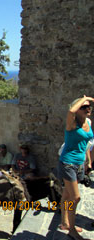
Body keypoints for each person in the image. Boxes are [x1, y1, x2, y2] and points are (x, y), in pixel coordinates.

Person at [58, 95, 94, 240]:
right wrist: (85, 98)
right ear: (78, 109)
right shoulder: (71, 124)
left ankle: (64, 223)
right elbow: (71, 112)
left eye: (89, 106)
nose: (88, 108)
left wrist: (88, 161)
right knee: (75, 197)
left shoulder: (88, 122)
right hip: (68, 163)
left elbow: (86, 143)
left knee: (67, 195)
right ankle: (72, 230)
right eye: (84, 107)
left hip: (79, 164)